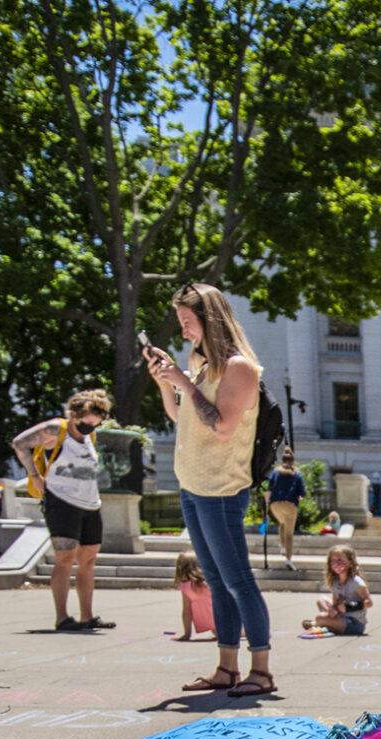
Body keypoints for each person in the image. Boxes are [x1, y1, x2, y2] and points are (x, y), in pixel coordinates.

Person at [146, 283, 272, 696]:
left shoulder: (239, 368)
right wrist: (169, 383)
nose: (183, 331)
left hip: (221, 488)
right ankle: (226, 668)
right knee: (217, 582)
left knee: (238, 580)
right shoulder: (200, 366)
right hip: (193, 485)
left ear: (209, 319)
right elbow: (183, 416)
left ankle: (262, 672)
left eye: (188, 321)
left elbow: (221, 427)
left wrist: (183, 380)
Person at [13, 389, 113, 633]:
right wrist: (35, 476)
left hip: (90, 503)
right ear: (74, 414)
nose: (91, 426)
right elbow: (19, 443)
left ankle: (87, 615)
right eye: (86, 422)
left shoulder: (91, 436)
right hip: (62, 502)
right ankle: (62, 617)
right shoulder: (56, 430)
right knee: (64, 559)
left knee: (88, 560)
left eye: (95, 423)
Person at [304, 545, 372, 636]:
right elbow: (335, 603)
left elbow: (368, 602)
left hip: (354, 623)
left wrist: (348, 607)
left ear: (350, 563)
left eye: (340, 560)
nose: (336, 563)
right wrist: (332, 610)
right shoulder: (335, 582)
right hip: (341, 616)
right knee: (321, 599)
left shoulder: (356, 582)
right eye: (333, 561)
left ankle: (317, 623)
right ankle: (325, 623)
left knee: (320, 618)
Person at [267, 448, 305, 568]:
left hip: (275, 504)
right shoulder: (297, 474)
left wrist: (268, 503)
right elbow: (302, 494)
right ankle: (288, 559)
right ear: (293, 460)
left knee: (282, 523)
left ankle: (283, 547)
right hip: (290, 505)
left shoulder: (275, 472)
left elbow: (268, 490)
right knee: (289, 533)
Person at [173, 553, 213, 641]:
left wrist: (187, 634)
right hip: (221, 621)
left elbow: (187, 612)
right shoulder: (209, 584)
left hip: (209, 623)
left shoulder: (186, 587)